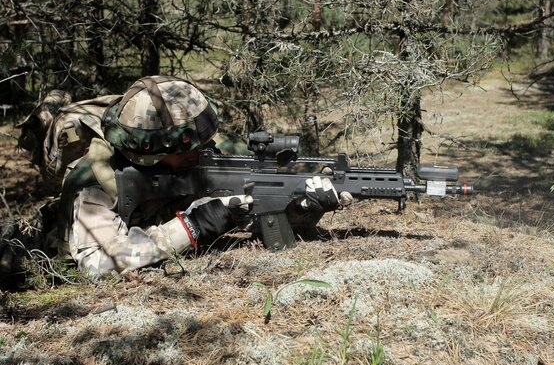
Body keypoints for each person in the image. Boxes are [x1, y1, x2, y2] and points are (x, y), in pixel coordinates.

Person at [37, 75, 348, 277]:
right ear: (153, 151)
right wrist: (191, 227)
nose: (202, 149)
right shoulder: (96, 179)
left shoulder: (204, 153)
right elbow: (94, 264)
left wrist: (299, 207)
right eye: (189, 147)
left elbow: (258, 211)